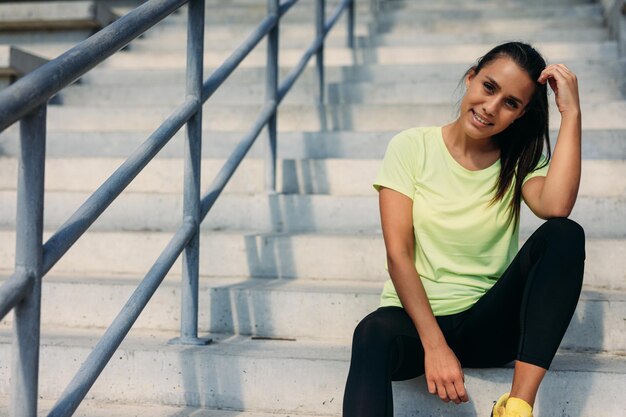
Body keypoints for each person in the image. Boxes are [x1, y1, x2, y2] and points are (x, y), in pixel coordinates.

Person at [342, 42, 585, 417]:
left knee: (565, 235)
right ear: (471, 78)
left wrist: (570, 113)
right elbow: (398, 255)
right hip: (417, 322)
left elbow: (556, 207)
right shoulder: (411, 147)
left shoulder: (520, 160)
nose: (491, 107)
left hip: (489, 325)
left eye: (510, 103)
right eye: (489, 87)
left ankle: (516, 407)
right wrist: (435, 346)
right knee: (371, 333)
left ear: (520, 115)